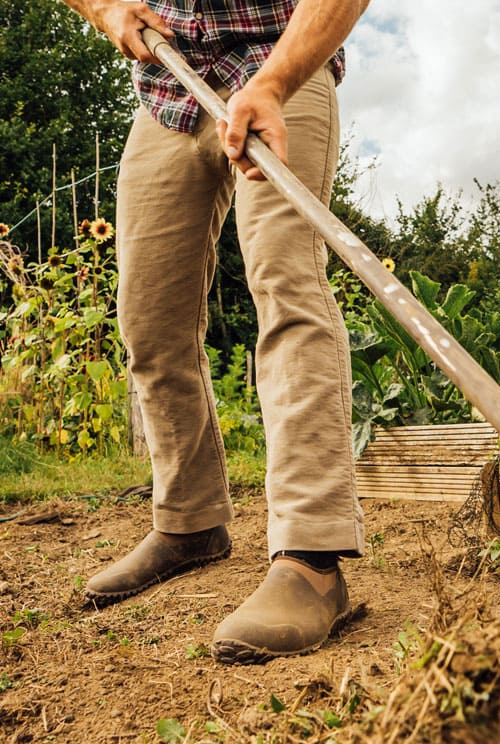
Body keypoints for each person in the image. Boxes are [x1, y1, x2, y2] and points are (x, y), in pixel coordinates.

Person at [60, 0, 369, 663]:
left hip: (277, 62)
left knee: (287, 287)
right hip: (169, 90)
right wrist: (105, 9)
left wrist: (277, 81)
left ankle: (312, 559)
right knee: (150, 318)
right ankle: (190, 523)